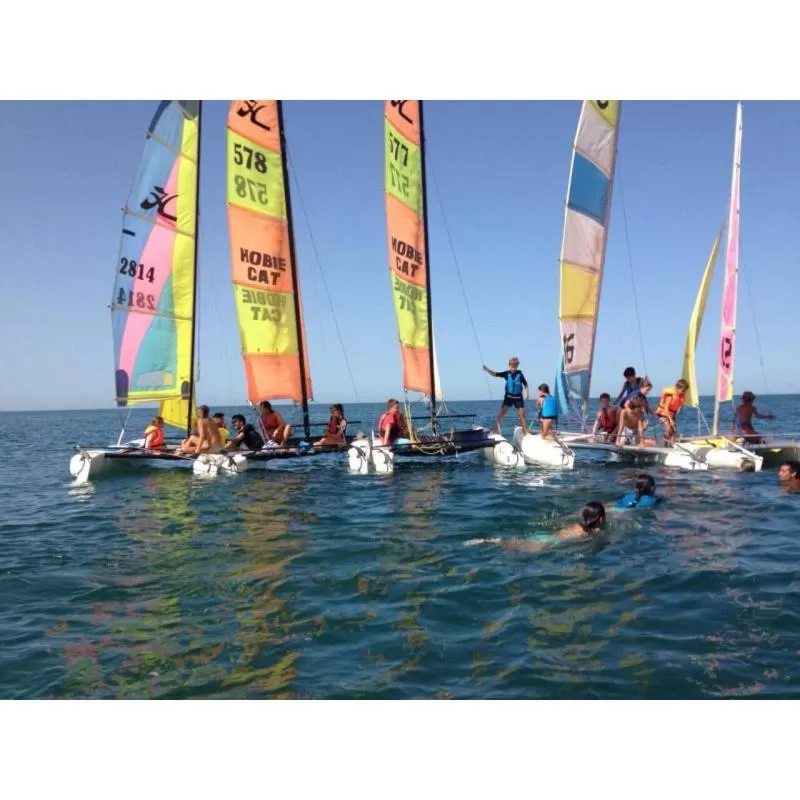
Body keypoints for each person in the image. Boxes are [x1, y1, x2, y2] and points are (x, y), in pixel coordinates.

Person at [465, 502, 607, 551]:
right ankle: (486, 542)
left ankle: (486, 541)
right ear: (600, 519)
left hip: (544, 536)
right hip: (545, 544)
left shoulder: (576, 525)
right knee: (511, 550)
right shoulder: (593, 533)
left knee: (510, 544)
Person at [483, 357, 529, 433]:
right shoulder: (506, 374)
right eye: (511, 367)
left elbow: (526, 384)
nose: (513, 368)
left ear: (517, 366)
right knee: (501, 414)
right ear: (509, 366)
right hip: (508, 397)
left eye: (515, 367)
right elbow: (495, 374)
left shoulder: (520, 374)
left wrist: (527, 394)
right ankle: (495, 430)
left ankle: (525, 432)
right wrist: (487, 370)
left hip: (518, 397)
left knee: (522, 415)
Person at [655, 379, 689, 447]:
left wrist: (679, 408)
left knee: (673, 430)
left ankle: (672, 445)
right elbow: (666, 409)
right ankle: (665, 444)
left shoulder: (680, 396)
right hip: (663, 414)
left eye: (685, 391)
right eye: (683, 391)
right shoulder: (670, 395)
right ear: (677, 388)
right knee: (668, 428)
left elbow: (678, 405)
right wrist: (670, 420)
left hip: (671, 415)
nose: (683, 392)